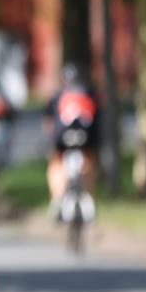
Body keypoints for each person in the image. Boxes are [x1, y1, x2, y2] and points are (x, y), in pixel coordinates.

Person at [44, 64, 99, 213]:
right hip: (86, 137)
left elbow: (49, 124)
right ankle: (90, 196)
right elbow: (96, 120)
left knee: (56, 161)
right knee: (89, 159)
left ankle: (57, 197)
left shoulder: (57, 96)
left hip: (62, 137)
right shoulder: (90, 94)